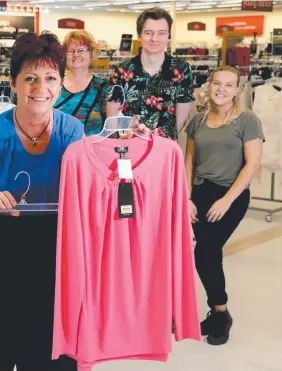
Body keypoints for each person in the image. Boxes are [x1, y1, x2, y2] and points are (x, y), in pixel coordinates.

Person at [0, 32, 84, 221]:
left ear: (61, 84)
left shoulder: (73, 133)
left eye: (50, 78)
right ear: (13, 83)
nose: (41, 87)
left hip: (58, 246)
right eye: (30, 78)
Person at [185, 66, 264, 346]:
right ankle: (217, 312)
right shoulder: (199, 120)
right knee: (205, 254)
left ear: (238, 90)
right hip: (200, 194)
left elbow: (253, 164)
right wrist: (187, 197)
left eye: (229, 85)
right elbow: (190, 161)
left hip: (231, 195)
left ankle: (221, 314)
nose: (221, 89)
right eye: (217, 83)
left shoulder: (247, 120)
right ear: (209, 85)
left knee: (205, 251)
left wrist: (226, 200)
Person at [106, 7, 194, 140]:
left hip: (164, 149)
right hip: (129, 147)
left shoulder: (182, 69)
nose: (154, 38)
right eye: (148, 33)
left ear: (168, 35)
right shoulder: (122, 70)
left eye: (161, 33)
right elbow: (112, 120)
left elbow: (180, 121)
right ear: (139, 35)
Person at [54, 30, 107, 136]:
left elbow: (111, 130)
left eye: (81, 50)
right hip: (53, 148)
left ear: (91, 54)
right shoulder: (53, 82)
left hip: (90, 150)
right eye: (71, 51)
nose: (76, 55)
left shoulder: (103, 88)